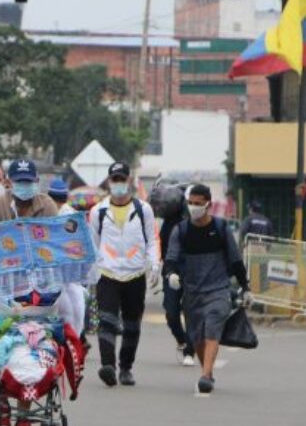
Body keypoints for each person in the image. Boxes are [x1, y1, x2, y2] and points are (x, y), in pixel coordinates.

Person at [0, 158, 60, 426]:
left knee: (36, 348)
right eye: (19, 182)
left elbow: (56, 243)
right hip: (1, 285)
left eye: (29, 181)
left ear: (36, 182)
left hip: (39, 285)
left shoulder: (47, 206)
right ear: (9, 183)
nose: (24, 187)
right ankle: (2, 406)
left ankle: (24, 418)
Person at [164, 184, 249, 394]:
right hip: (192, 292)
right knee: (197, 337)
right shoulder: (181, 230)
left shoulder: (220, 229)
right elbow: (171, 258)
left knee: (212, 327)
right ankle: (208, 372)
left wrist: (246, 287)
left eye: (198, 203)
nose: (194, 207)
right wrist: (171, 274)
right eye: (190, 203)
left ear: (208, 204)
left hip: (218, 289)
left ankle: (205, 376)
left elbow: (235, 259)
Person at [89, 162, 160, 388]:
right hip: (107, 273)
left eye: (122, 179)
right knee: (107, 320)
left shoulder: (143, 210)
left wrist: (154, 264)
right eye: (115, 180)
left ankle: (126, 367)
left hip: (134, 273)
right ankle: (108, 365)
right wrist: (92, 274)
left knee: (132, 325)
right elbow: (94, 244)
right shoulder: (98, 211)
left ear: (129, 181)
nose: (118, 184)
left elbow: (152, 239)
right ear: (109, 183)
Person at [152, 182, 197, 367]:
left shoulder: (192, 221)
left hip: (192, 273)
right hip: (171, 272)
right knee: (171, 313)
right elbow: (161, 246)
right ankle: (182, 340)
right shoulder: (169, 224)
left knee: (190, 312)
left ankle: (190, 351)